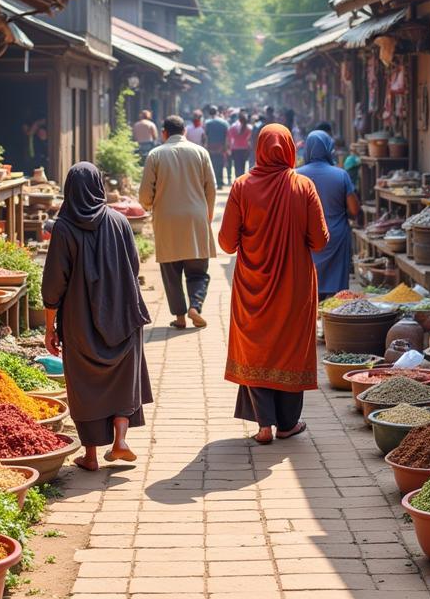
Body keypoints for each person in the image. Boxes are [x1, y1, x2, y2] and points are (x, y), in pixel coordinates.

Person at [219, 124, 329, 445]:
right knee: (290, 348)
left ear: (258, 148)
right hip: (295, 286)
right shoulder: (303, 186)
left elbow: (226, 243)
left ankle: (264, 426)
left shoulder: (241, 186)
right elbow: (320, 241)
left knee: (256, 347)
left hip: (252, 284)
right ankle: (287, 425)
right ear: (290, 150)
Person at [42, 163, 152, 471]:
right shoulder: (119, 221)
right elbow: (134, 266)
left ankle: (90, 455)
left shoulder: (64, 227)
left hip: (80, 320)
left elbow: (54, 282)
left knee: (84, 382)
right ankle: (120, 440)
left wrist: (50, 326)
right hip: (122, 313)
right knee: (122, 376)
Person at [139, 114, 217, 329]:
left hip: (166, 220)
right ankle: (196, 306)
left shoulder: (155, 155)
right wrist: (207, 215)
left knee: (171, 273)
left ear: (164, 133)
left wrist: (148, 205)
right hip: (195, 218)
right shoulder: (201, 152)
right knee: (198, 271)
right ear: (184, 131)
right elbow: (211, 188)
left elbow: (145, 194)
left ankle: (180, 317)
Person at [297, 130, 360, 299]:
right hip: (336, 237)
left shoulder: (296, 176)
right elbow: (354, 209)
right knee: (336, 292)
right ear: (328, 149)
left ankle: (309, 320)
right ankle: (333, 322)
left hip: (306, 239)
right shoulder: (341, 175)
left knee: (307, 286)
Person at [204, 105, 230, 188]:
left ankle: (212, 183)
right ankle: (219, 183)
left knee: (210, 165)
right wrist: (226, 147)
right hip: (220, 147)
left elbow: (205, 136)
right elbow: (227, 136)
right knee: (220, 164)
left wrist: (205, 147)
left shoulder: (207, 122)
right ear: (217, 112)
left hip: (210, 147)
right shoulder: (224, 122)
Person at [227, 111, 252, 178]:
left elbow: (229, 138)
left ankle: (237, 180)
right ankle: (242, 180)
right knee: (243, 166)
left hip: (235, 149)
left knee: (236, 166)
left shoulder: (233, 127)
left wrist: (229, 148)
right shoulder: (249, 128)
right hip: (244, 149)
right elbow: (250, 139)